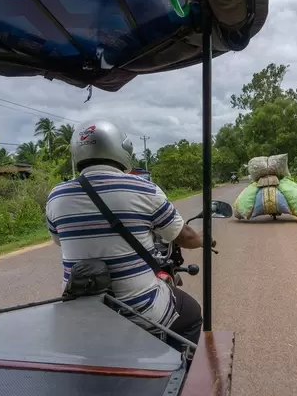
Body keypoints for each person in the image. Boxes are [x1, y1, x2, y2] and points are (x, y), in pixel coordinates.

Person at [45, 120, 208, 350]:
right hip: (139, 310)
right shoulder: (143, 188)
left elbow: (59, 240)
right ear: (119, 149)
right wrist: (203, 239)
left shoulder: (56, 196)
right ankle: (178, 372)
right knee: (191, 313)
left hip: (80, 309)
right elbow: (184, 237)